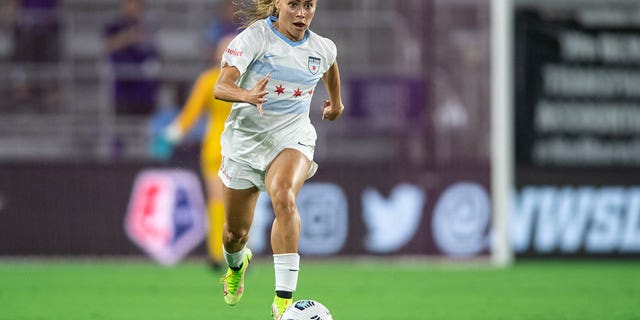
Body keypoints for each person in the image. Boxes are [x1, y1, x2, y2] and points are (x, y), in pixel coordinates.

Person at [213, 0, 344, 319]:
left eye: (309, 5)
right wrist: (246, 95)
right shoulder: (254, 39)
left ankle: (283, 301)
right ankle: (236, 264)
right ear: (277, 4)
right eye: (294, 5)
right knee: (235, 235)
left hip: (292, 135)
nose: (302, 13)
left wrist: (336, 103)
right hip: (247, 139)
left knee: (284, 196)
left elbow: (329, 65)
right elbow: (221, 86)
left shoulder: (321, 47)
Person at [155, 34, 236, 269]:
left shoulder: (210, 80)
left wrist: (171, 135)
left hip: (223, 147)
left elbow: (189, 115)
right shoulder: (246, 80)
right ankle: (225, 254)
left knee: (220, 202)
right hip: (231, 149)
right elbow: (191, 114)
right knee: (232, 204)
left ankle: (219, 255)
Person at [103, 0, 160, 116]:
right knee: (122, 128)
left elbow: (155, 54)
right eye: (129, 3)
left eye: (136, 3)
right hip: (123, 89)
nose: (133, 7)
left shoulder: (148, 27)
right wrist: (130, 36)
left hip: (144, 91)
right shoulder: (115, 25)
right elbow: (109, 46)